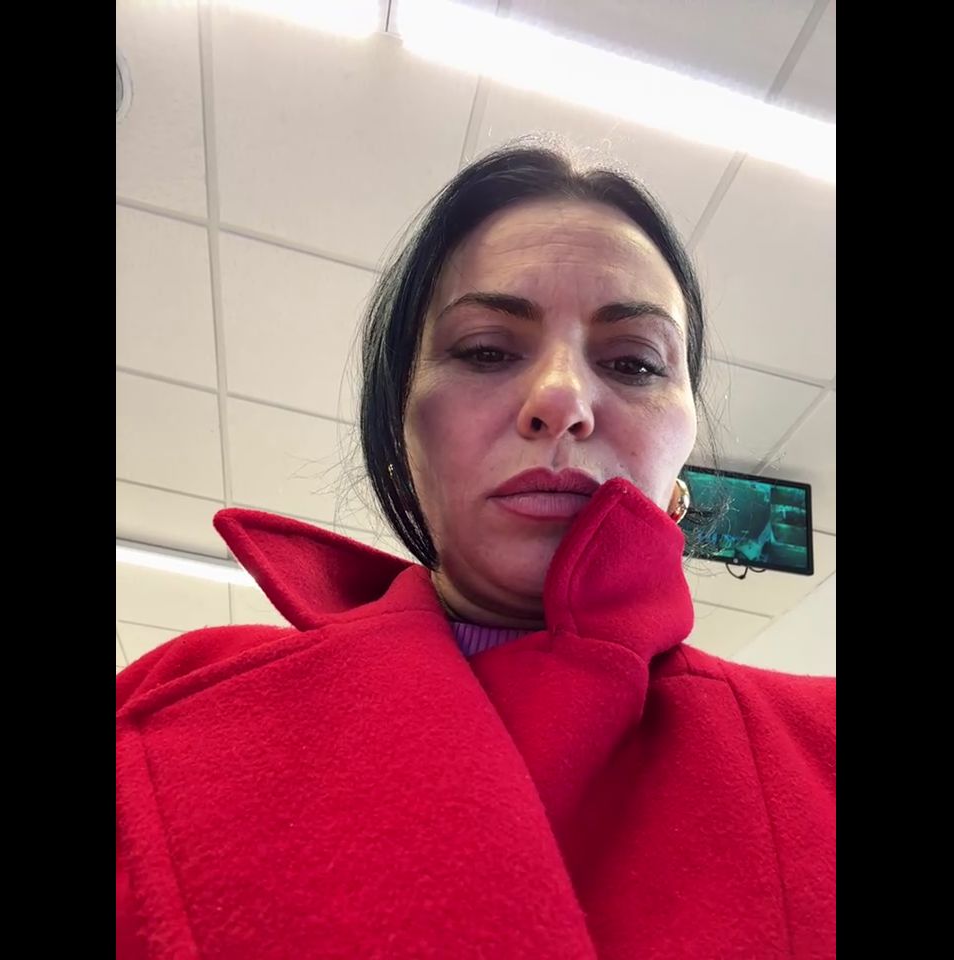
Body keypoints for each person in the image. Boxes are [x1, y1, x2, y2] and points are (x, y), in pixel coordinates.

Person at [116, 144, 835, 959]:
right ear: (400, 431)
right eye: (487, 350)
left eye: (634, 362)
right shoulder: (165, 710)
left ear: (683, 470)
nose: (561, 399)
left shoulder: (822, 747)